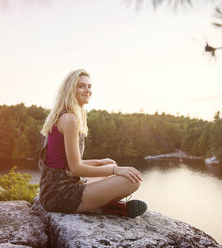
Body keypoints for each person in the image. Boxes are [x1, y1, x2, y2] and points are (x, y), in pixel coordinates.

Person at [38, 69, 147, 218]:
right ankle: (107, 206)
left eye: (89, 86)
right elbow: (75, 169)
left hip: (57, 188)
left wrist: (100, 162)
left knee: (109, 165)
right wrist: (115, 171)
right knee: (131, 181)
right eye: (81, 86)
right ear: (70, 90)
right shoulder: (70, 119)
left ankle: (104, 205)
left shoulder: (65, 116)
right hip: (60, 196)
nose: (87, 90)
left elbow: (66, 165)